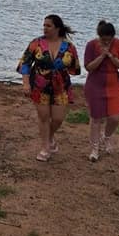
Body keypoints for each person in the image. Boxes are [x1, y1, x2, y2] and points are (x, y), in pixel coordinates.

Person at [18, 14, 81, 161]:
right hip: (40, 85)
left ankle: (50, 136)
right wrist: (26, 83)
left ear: (57, 28)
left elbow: (75, 68)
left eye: (48, 25)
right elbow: (25, 64)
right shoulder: (36, 43)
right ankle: (45, 147)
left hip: (61, 87)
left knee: (58, 119)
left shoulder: (69, 47)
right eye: (44, 25)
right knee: (44, 117)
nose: (45, 28)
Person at [84, 20, 119, 162]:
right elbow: (89, 67)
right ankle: (94, 148)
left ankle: (107, 137)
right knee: (96, 118)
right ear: (99, 36)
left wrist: (110, 56)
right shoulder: (91, 45)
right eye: (104, 40)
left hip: (113, 84)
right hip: (95, 84)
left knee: (115, 117)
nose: (107, 42)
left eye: (110, 40)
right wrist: (102, 56)